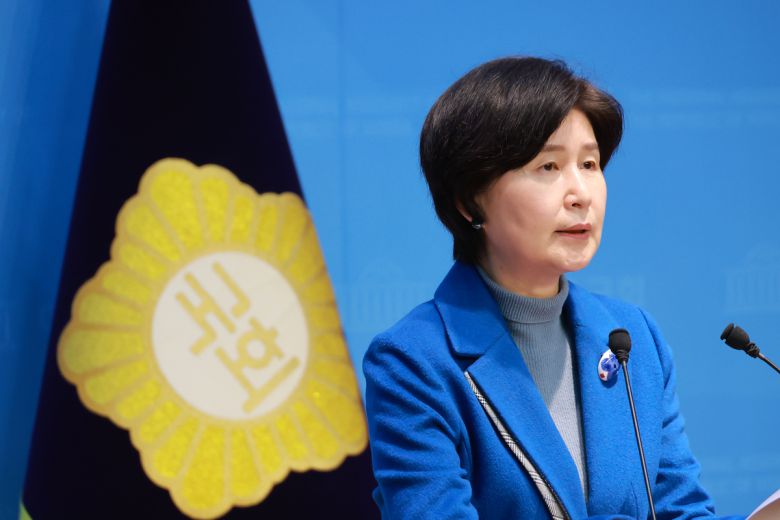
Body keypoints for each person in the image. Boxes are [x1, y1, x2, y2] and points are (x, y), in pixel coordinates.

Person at [362, 57, 744, 519]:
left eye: (590, 163)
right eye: (548, 166)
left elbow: (682, 509)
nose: (581, 194)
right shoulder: (413, 362)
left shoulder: (633, 337)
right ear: (468, 201)